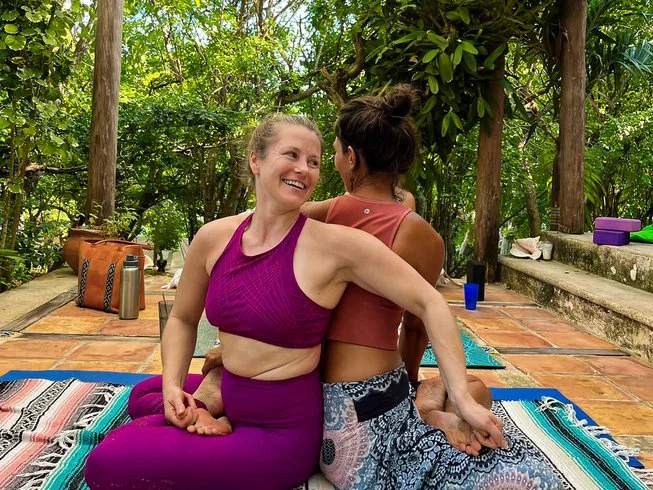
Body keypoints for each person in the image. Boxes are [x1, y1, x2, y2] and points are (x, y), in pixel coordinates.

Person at [84, 113, 508, 490]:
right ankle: (212, 406)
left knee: (108, 462)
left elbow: (431, 302)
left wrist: (461, 397)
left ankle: (213, 414)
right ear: (256, 160)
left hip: (280, 435)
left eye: (315, 161)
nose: (304, 169)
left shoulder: (338, 246)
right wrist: (174, 385)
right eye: (291, 155)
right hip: (237, 391)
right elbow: (182, 318)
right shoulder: (214, 237)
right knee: (147, 392)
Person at [197, 88, 562, 489]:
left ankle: (430, 406)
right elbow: (417, 330)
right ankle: (429, 408)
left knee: (464, 392)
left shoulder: (319, 214)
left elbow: (260, 235)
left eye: (333, 153)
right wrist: (412, 391)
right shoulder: (421, 236)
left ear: (351, 157)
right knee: (515, 454)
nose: (329, 164)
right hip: (365, 410)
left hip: (309, 396)